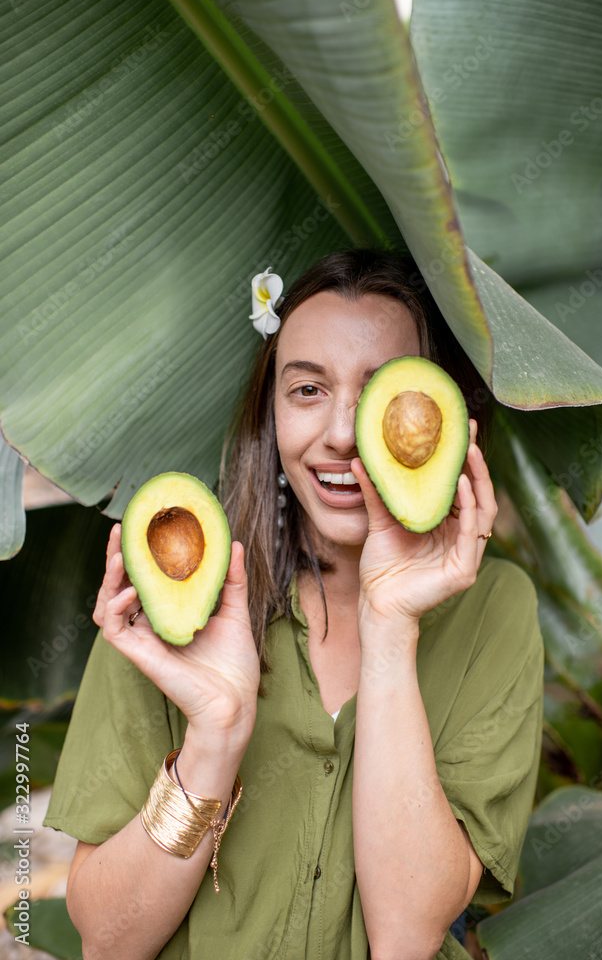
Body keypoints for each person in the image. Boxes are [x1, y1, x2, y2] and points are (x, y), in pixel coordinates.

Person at [44, 248, 544, 960]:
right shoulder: (168, 598)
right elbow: (108, 940)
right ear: (270, 417)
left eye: (380, 395)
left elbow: (405, 936)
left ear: (441, 421)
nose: (341, 433)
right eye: (307, 390)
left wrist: (390, 624)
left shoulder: (496, 609)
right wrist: (214, 740)